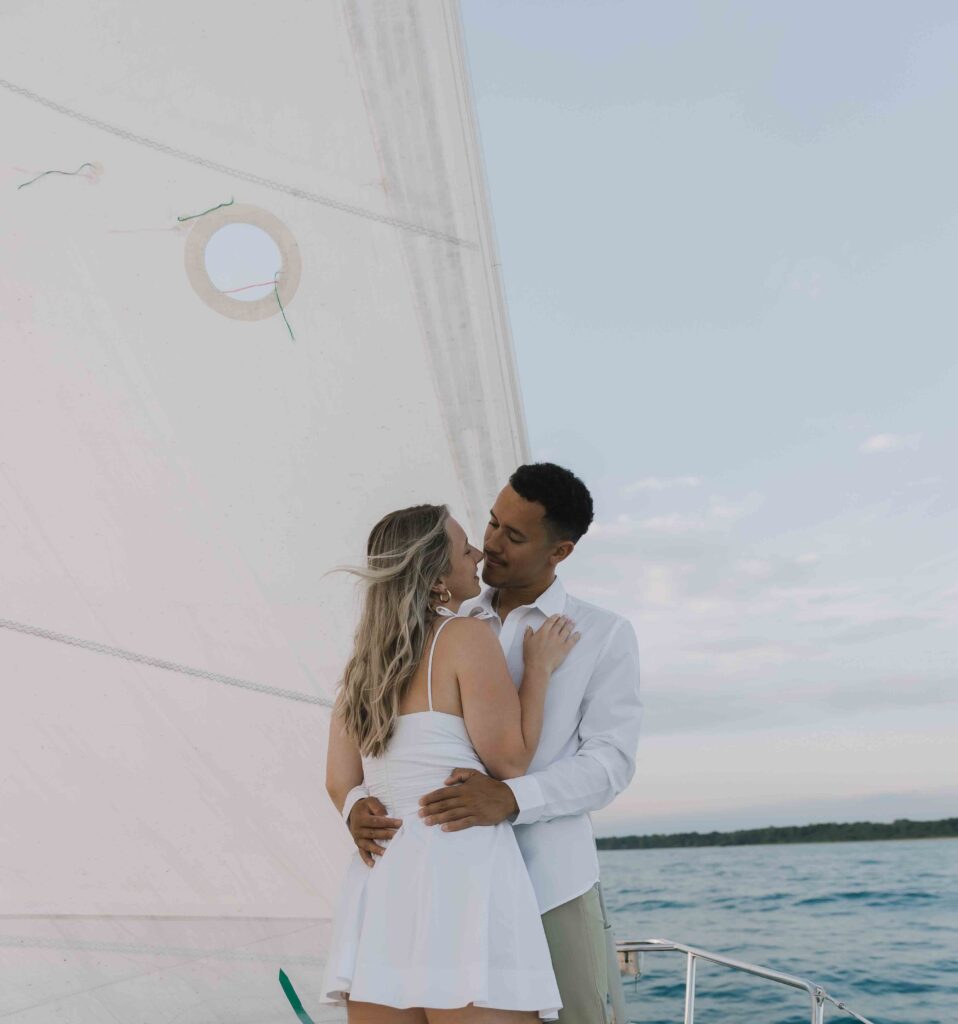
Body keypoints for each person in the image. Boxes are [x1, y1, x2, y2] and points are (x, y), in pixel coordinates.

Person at [345, 464, 643, 1024]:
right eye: (491, 522)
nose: (490, 545)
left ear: (561, 552)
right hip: (445, 887)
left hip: (549, 881)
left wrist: (513, 798)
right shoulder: (444, 623)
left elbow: (611, 764)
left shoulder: (602, 634)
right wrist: (353, 804)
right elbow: (383, 734)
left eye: (515, 535)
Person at [322, 502, 581, 1022]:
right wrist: (538, 670)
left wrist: (357, 808)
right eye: (465, 549)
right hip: (461, 874)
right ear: (436, 574)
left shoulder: (364, 661)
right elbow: (510, 761)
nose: (478, 554)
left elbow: (340, 781)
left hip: (385, 876)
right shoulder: (463, 636)